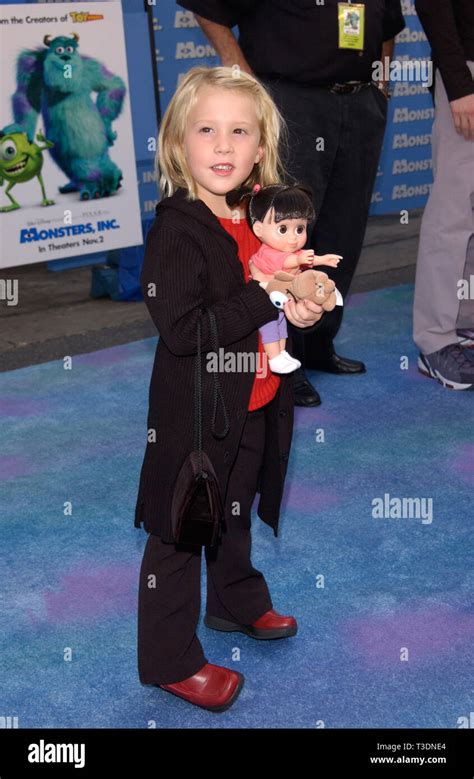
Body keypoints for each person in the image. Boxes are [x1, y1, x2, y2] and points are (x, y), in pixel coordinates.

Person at [135, 66, 326, 712]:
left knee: (236, 513)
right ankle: (170, 660)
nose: (223, 146)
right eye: (206, 130)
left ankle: (236, 601)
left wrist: (299, 306)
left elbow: (285, 285)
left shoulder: (261, 214)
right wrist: (265, 294)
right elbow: (187, 329)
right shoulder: (176, 231)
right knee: (180, 533)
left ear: (261, 144)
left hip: (255, 404)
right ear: (177, 144)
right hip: (194, 417)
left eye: (239, 131)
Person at [176, 0, 405, 407]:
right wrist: (241, 71)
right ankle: (283, 356)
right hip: (290, 102)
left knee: (343, 229)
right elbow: (207, 6)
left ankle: (318, 343)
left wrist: (382, 84)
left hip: (360, 103)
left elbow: (388, 24)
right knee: (283, 236)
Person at [413, 0, 474, 390]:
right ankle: (434, 340)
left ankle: (464, 321)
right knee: (452, 213)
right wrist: (457, 82)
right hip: (466, 76)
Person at [239, 181, 342, 374]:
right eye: (283, 229)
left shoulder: (293, 252)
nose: (293, 238)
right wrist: (303, 258)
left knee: (281, 324)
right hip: (265, 295)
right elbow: (288, 261)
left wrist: (322, 259)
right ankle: (275, 357)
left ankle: (282, 352)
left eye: (300, 229)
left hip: (281, 296)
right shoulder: (268, 252)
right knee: (270, 324)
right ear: (259, 230)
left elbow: (302, 259)